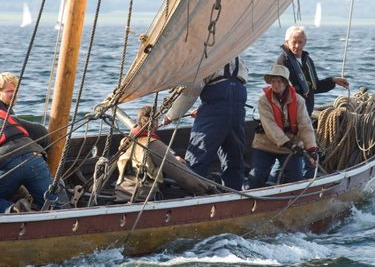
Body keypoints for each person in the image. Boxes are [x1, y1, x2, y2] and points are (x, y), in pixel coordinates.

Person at [275, 25, 349, 178]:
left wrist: (333, 81)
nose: (297, 46)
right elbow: (278, 90)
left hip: (305, 114)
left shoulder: (306, 60)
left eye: (300, 42)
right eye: (294, 42)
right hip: (291, 116)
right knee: (302, 150)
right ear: (286, 42)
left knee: (302, 151)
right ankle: (300, 180)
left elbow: (312, 87)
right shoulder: (282, 62)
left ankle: (297, 179)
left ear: (305, 42)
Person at [164, 56, 248, 191]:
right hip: (237, 112)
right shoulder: (238, 58)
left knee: (197, 157)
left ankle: (193, 197)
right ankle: (234, 195)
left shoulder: (211, 57)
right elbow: (229, 92)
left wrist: (171, 115)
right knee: (234, 159)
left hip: (214, 113)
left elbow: (193, 89)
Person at [115, 105, 216, 202]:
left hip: (121, 194)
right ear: (154, 122)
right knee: (185, 193)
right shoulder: (153, 144)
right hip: (143, 197)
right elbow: (182, 176)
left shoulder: (125, 141)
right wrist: (208, 187)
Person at [245, 64, 319, 189]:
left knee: (296, 181)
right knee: (256, 179)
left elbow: (305, 125)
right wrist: (289, 144)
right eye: (273, 81)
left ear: (286, 83)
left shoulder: (299, 100)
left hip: (291, 148)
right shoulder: (264, 100)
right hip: (265, 145)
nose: (276, 84)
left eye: (279, 81)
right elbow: (270, 127)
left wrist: (311, 149)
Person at [0, 72, 57, 213]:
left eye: (15, 91)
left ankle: (13, 209)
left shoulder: (7, 112)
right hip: (34, 157)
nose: (14, 95)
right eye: (9, 91)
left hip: (8, 163)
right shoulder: (7, 115)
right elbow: (42, 133)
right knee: (53, 206)